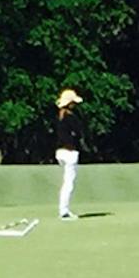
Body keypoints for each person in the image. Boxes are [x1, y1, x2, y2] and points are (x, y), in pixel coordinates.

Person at [52, 88, 83, 220]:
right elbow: (79, 133)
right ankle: (63, 211)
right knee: (68, 183)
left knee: (66, 181)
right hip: (69, 152)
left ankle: (63, 209)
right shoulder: (70, 117)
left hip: (60, 152)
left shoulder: (59, 116)